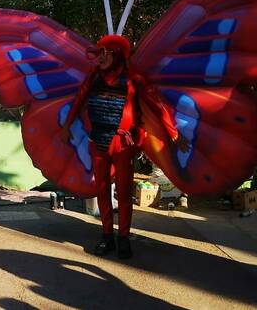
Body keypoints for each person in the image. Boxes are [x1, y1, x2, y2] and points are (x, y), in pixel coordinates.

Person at [61, 35, 188, 259]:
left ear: (116, 55)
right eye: (98, 53)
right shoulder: (93, 77)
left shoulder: (133, 79)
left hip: (122, 143)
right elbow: (79, 99)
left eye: (104, 53)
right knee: (102, 190)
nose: (99, 58)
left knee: (125, 192)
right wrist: (66, 125)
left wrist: (174, 134)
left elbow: (156, 105)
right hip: (98, 141)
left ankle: (123, 238)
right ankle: (107, 235)